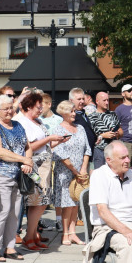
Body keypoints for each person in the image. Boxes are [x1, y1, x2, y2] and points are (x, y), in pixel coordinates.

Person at [0, 94, 33, 261]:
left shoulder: (18, 125)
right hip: (1, 174)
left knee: (15, 213)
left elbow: (27, 146)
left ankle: (10, 247)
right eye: (6, 109)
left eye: (11, 107)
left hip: (19, 175)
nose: (10, 111)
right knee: (3, 211)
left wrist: (28, 161)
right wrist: (23, 160)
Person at [14, 92, 63, 251]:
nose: (41, 109)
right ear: (28, 106)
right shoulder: (22, 122)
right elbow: (29, 147)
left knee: (42, 202)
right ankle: (29, 236)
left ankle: (33, 233)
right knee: (37, 202)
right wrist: (49, 139)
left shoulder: (37, 121)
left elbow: (43, 146)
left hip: (44, 165)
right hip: (34, 166)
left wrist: (55, 142)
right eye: (38, 106)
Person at [51, 99, 91, 245]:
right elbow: (59, 153)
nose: (74, 113)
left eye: (74, 111)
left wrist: (83, 168)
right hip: (65, 171)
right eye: (71, 111)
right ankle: (65, 233)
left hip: (79, 171)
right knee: (67, 203)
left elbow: (87, 148)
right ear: (63, 113)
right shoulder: (58, 129)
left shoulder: (80, 128)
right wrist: (74, 170)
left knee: (76, 202)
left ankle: (73, 232)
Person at [88, 91, 122, 169]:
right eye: (104, 100)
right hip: (99, 150)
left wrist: (117, 133)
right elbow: (90, 137)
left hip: (113, 150)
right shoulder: (91, 117)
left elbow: (121, 131)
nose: (107, 102)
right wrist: (103, 135)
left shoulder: (113, 114)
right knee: (100, 174)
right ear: (97, 101)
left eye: (107, 100)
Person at [115, 84, 132, 163]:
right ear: (123, 94)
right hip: (127, 143)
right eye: (129, 91)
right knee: (126, 166)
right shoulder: (119, 109)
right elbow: (116, 126)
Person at [69, 87, 98, 158]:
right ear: (71, 101)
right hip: (77, 156)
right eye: (79, 99)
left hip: (88, 154)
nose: (82, 101)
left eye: (83, 99)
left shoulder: (83, 113)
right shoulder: (70, 116)